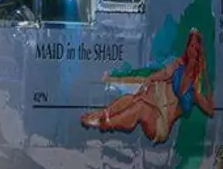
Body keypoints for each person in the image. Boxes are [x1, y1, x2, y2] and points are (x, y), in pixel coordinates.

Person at [80, 28, 214, 144]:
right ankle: (103, 114)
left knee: (141, 107)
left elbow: (210, 110)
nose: (192, 51)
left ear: (199, 53)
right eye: (191, 46)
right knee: (133, 97)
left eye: (196, 49)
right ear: (187, 47)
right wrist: (148, 80)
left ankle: (106, 123)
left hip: (161, 122)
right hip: (154, 102)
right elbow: (163, 74)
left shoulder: (196, 86)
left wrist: (202, 91)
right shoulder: (178, 65)